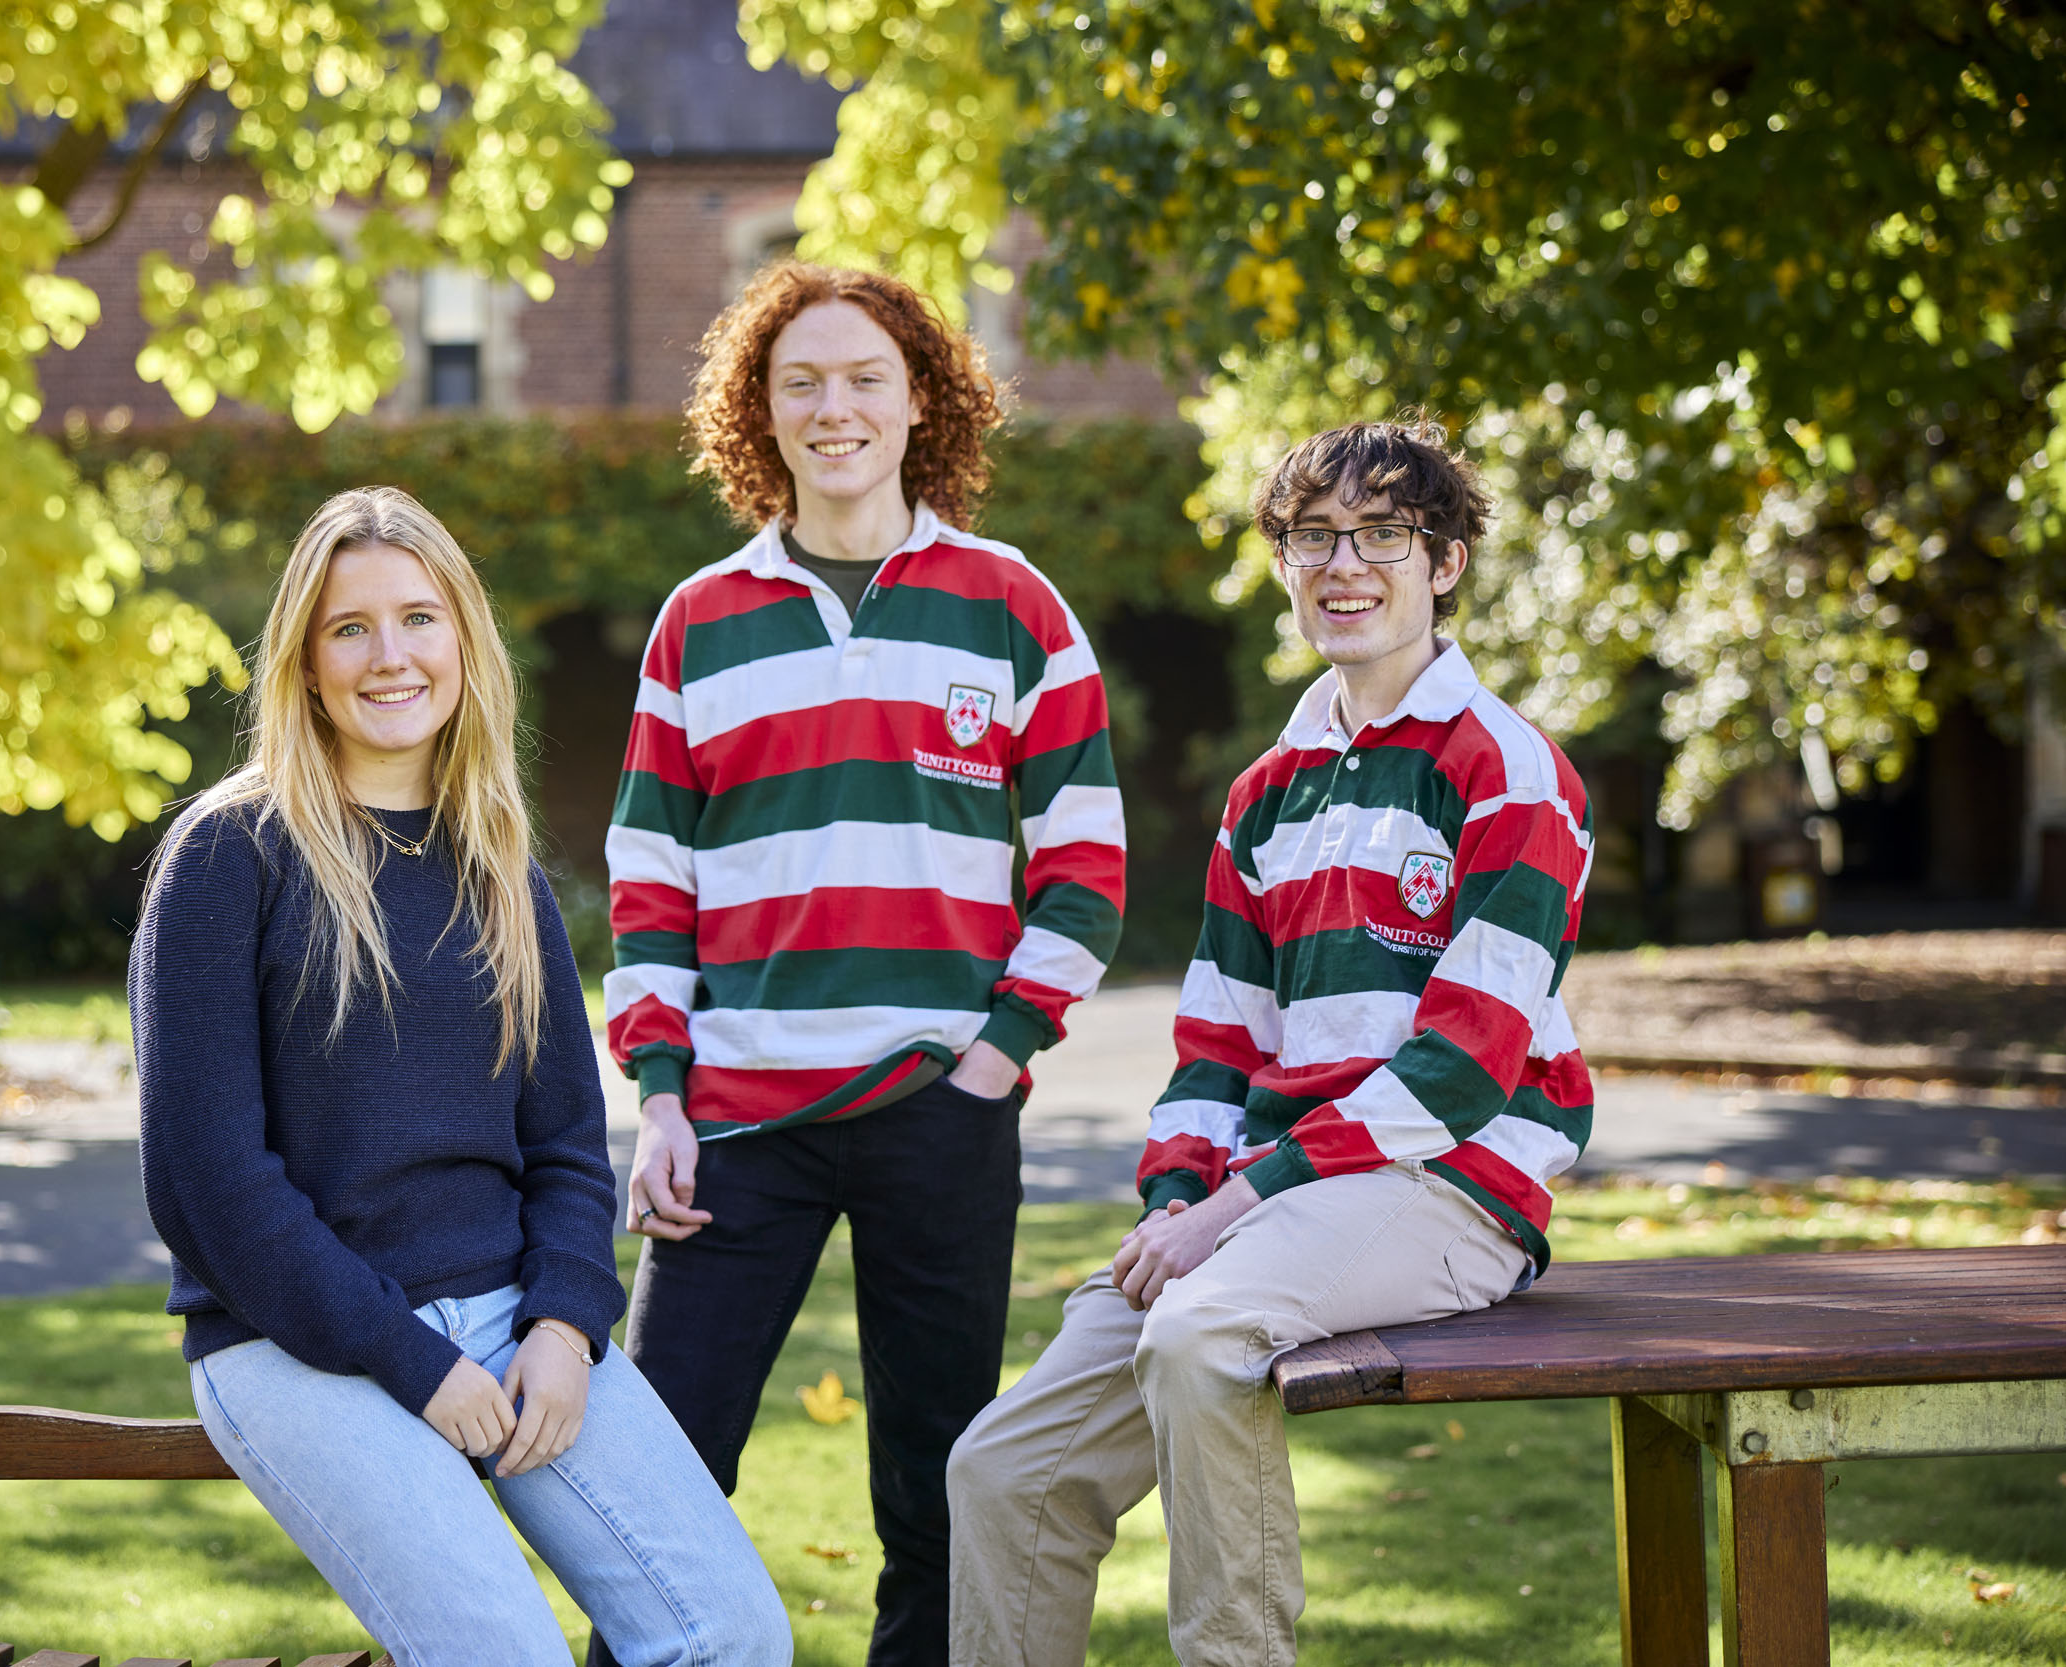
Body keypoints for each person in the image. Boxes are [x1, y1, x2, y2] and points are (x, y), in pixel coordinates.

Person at [947, 419, 1596, 1666]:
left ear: (1444, 560)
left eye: (1382, 535)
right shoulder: (1269, 790)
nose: (1342, 565)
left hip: (1451, 1184)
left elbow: (1461, 1070)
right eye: (1311, 537)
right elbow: (1215, 1048)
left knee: (1199, 1335)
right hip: (1272, 1197)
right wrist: (1179, 1196)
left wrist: (1230, 1205)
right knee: (1002, 1466)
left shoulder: (1508, 770)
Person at [132, 487, 790, 1667]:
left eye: (419, 618)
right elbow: (209, 1184)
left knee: (730, 1633)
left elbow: (566, 1147)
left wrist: (565, 1320)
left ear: (463, 641)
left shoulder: (497, 864)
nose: (391, 655)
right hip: (289, 1338)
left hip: (509, 1319)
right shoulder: (230, 855)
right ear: (307, 659)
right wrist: (410, 1358)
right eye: (351, 628)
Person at [598, 261, 1127, 1666]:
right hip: (738, 1124)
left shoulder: (1013, 604)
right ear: (757, 415)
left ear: (919, 400)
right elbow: (650, 878)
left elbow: (1087, 866)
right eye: (800, 382)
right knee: (656, 1479)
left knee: (939, 1486)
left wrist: (996, 1054)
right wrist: (660, 1090)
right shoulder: (699, 619)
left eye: (864, 377)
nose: (833, 407)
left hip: (939, 1114)